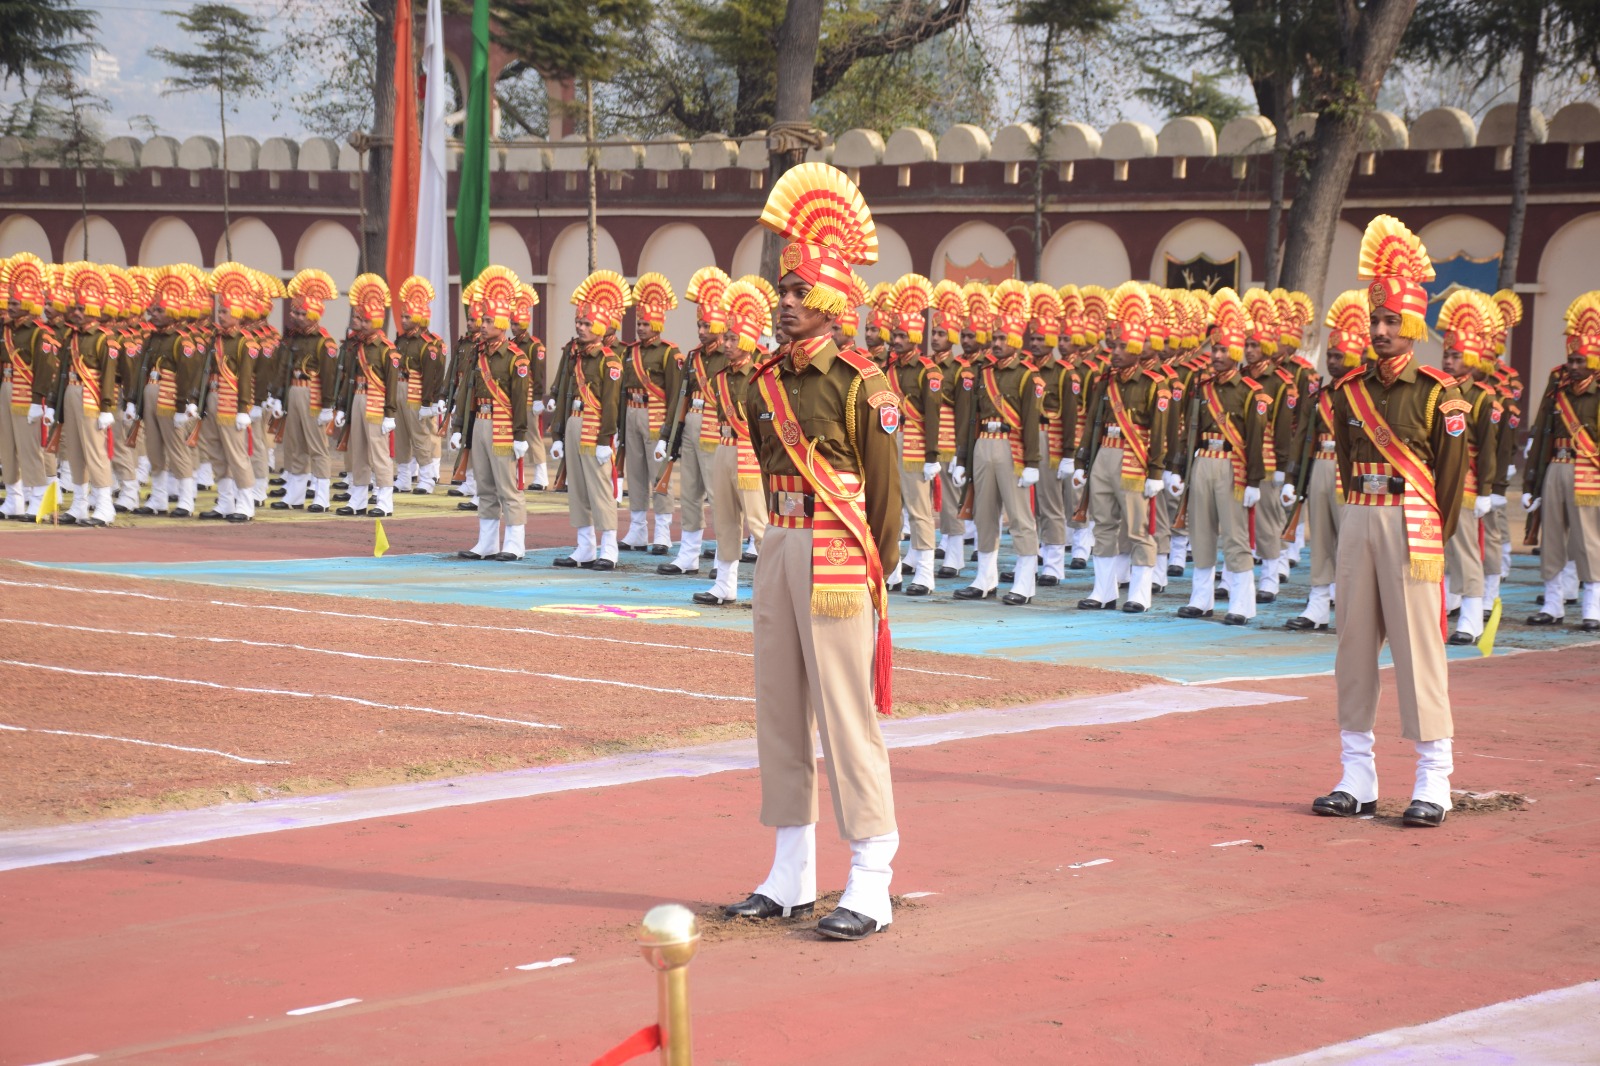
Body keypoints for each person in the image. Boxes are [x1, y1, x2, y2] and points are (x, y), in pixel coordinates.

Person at [724, 161, 903, 941]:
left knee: (845, 715)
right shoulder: (765, 378)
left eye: (799, 293)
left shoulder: (867, 385)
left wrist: (873, 574)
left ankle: (872, 875)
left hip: (837, 558)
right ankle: (790, 872)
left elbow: (887, 499)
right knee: (779, 712)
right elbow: (765, 466)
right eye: (782, 293)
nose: (785, 304)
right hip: (782, 550)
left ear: (830, 301)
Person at [1315, 214, 1468, 828]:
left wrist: (1433, 536)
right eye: (1373, 321)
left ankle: (1435, 779)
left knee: (1417, 653)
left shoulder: (1439, 393)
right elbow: (1349, 465)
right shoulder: (1350, 390)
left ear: (1412, 324)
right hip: (1359, 519)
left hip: (1413, 527)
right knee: (1352, 650)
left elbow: (1452, 484)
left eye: (1388, 321)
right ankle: (1358, 775)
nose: (1378, 331)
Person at [1171, 288, 1267, 624]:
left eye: (1224, 349)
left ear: (1237, 352)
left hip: (1233, 465)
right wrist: (1180, 468)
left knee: (1234, 534)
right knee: (1201, 530)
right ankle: (1201, 599)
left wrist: (1255, 479)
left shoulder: (1251, 392)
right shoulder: (1203, 387)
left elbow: (1255, 440)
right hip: (1202, 461)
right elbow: (1189, 430)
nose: (1216, 354)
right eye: (1215, 348)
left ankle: (1242, 602)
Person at [1073, 282, 1170, 612]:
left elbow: (1159, 432)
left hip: (1134, 459)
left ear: (1139, 348)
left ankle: (1140, 593)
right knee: (1102, 524)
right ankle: (1104, 590)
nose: (1113, 351)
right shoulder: (1105, 381)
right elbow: (1092, 423)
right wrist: (1081, 460)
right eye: (1112, 346)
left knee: (1137, 528)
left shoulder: (1154, 384)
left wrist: (1156, 471)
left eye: (1120, 347)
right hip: (1104, 455)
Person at [951, 279, 1041, 604]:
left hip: (1011, 447)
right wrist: (962, 459)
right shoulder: (982, 372)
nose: (997, 343)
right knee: (984, 514)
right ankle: (985, 578)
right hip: (982, 445)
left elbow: (1031, 422)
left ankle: (1025, 582)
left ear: (1016, 339)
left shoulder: (1028, 375)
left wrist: (1032, 463)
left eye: (1003, 338)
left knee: (1019, 516)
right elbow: (969, 418)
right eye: (996, 337)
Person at [1284, 291, 1366, 631]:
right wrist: (1293, 479)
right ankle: (1317, 606)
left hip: (1351, 473)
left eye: (1337, 355)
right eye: (1329, 355)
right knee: (1319, 539)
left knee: (1352, 543)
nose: (1331, 361)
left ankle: (1353, 608)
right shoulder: (1319, 395)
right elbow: (1302, 437)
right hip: (1320, 465)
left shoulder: (1365, 394)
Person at [1522, 291, 1600, 631]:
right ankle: (1553, 605)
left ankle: (1592, 609)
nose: (1573, 365)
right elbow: (1541, 434)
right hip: (1556, 465)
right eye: (1571, 359)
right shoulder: (1558, 385)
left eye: (1580, 361)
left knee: (1588, 541)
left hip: (1589, 471)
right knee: (1551, 538)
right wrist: (1531, 482)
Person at [694, 279, 770, 605]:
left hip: (750, 451)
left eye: (733, 337)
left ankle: (770, 589)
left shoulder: (762, 374)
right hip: (724, 448)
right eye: (725, 336)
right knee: (724, 517)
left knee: (759, 522)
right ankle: (725, 584)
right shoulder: (721, 377)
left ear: (750, 339)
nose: (725, 342)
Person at [449, 266, 533, 561]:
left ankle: (515, 542)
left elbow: (521, 399)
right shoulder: (477, 353)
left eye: (487, 320)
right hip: (480, 422)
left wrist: (521, 435)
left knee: (507, 486)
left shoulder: (515, 358)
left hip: (503, 425)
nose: (481, 325)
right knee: (484, 484)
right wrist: (460, 425)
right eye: (481, 320)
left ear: (500, 322)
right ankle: (487, 542)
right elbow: (466, 391)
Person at [1436, 289, 1501, 644]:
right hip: (1440, 481)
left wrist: (1487, 490)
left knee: (1466, 551)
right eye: (1446, 354)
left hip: (1468, 482)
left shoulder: (1482, 397)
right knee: (1441, 549)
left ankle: (1472, 620)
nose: (1449, 361)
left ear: (1473, 359)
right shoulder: (1438, 390)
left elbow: (1488, 448)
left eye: (1456, 355)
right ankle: (1446, 611)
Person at [655, 267, 730, 576]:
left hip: (717, 427)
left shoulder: (729, 355)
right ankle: (688, 554)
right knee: (690, 492)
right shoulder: (694, 356)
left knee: (718, 494)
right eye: (699, 324)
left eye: (706, 324)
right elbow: (680, 398)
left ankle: (724, 556)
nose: (701, 330)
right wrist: (667, 434)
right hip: (691, 426)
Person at [552, 270, 628, 570]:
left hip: (595, 429)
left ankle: (609, 548)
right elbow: (565, 395)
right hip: (573, 422)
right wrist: (557, 434)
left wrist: (606, 438)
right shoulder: (576, 356)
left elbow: (610, 403)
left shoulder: (609, 360)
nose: (581, 328)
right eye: (579, 323)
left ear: (600, 326)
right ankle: (584, 546)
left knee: (600, 490)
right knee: (578, 488)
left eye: (586, 323)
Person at [886, 274, 943, 595]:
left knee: (920, 512)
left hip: (916, 445)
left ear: (913, 337)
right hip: (891, 443)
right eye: (893, 334)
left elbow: (932, 416)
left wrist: (932, 456)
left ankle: (925, 573)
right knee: (892, 507)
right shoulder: (891, 369)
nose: (894, 340)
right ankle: (893, 570)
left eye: (899, 335)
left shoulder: (927, 371)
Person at [332, 274, 399, 518]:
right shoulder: (355, 346)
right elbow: (348, 378)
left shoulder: (386, 349)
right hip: (357, 398)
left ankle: (384, 500)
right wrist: (341, 406)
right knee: (357, 450)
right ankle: (357, 499)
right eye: (357, 318)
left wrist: (390, 413)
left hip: (376, 402)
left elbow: (391, 384)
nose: (357, 322)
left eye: (362, 319)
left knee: (378, 452)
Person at [622, 273, 680, 554]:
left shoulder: (669, 353)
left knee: (659, 476)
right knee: (634, 473)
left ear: (657, 324)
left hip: (656, 417)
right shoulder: (629, 352)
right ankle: (637, 529)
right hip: (632, 413)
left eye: (646, 324)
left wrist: (669, 432)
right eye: (639, 323)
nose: (641, 329)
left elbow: (675, 394)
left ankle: (663, 531)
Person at [2, 254, 61, 520]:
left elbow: (46, 369)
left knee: (29, 447)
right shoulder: (7, 330)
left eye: (15, 303)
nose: (10, 307)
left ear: (27, 304)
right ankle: (14, 497)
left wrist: (38, 401)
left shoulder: (40, 332)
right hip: (5, 388)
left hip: (25, 394)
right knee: (7, 445)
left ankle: (38, 498)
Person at [393, 275, 447, 496]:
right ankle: (404, 477)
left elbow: (432, 376)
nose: (403, 320)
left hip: (416, 394)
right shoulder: (401, 340)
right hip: (399, 390)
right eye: (403, 315)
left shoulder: (429, 344)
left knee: (420, 436)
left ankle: (426, 478)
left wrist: (430, 401)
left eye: (407, 316)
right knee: (401, 437)